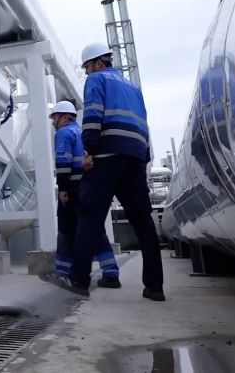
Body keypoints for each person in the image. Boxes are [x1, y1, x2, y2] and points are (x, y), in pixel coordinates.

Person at [65, 43, 165, 302]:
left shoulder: (97, 80)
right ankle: (155, 287)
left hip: (107, 156)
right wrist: (143, 158)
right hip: (135, 158)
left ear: (98, 63)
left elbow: (93, 116)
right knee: (143, 222)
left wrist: (89, 151)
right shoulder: (134, 88)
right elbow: (144, 124)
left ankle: (78, 280)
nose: (87, 72)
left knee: (89, 216)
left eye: (87, 67)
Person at [41, 101, 121, 289]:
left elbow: (63, 161)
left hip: (72, 188)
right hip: (88, 186)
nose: (53, 122)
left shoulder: (63, 133)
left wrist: (63, 188)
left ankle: (62, 272)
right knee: (94, 230)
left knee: (67, 229)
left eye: (55, 117)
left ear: (65, 117)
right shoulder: (83, 133)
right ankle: (111, 273)